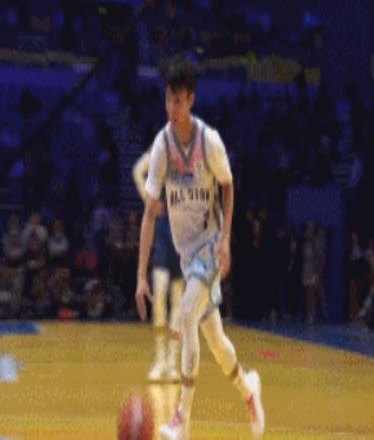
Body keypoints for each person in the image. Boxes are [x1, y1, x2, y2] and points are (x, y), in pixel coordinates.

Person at [135, 60, 265, 440]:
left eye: (178, 101)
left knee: (186, 313)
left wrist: (225, 239)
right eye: (168, 100)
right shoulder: (162, 146)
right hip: (186, 254)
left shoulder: (210, 142)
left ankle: (182, 420)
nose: (171, 108)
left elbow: (228, 185)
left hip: (209, 247)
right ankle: (249, 389)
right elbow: (149, 213)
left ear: (191, 100)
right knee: (218, 345)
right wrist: (140, 275)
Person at [133, 149, 185, 383]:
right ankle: (160, 360)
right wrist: (148, 199)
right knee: (160, 294)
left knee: (178, 304)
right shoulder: (161, 149)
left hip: (183, 236)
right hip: (163, 234)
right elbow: (138, 170)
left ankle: (173, 364)